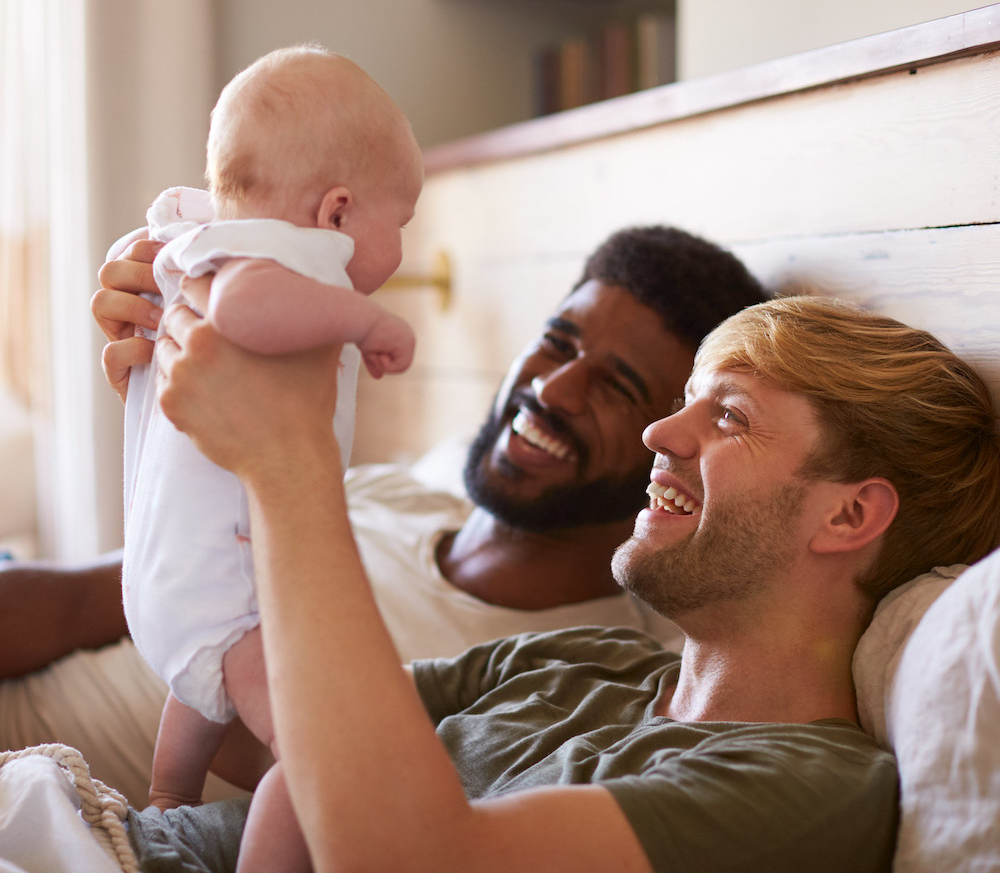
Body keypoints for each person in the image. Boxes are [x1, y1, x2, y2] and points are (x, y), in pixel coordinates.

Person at [124, 293, 1000, 872]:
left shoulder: (808, 790)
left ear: (848, 517)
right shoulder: (591, 662)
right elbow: (285, 742)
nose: (661, 431)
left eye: (727, 415)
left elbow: (412, 859)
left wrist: (290, 466)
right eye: (686, 399)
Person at [0, 225, 768, 806]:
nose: (555, 390)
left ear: (670, 445)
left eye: (617, 387)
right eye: (556, 342)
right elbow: (80, 600)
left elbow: (311, 797)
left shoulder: (579, 668)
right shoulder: (387, 495)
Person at [121, 45, 423, 871]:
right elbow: (250, 306)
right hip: (219, 580)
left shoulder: (207, 237)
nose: (401, 253)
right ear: (335, 214)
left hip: (183, 585)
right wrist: (364, 323)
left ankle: (165, 805)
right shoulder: (283, 260)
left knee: (209, 683)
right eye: (400, 224)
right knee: (315, 758)